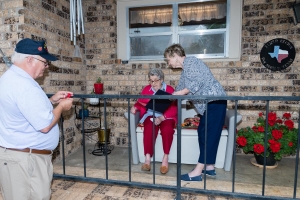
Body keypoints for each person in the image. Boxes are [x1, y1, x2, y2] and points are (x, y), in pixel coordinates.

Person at [0, 38, 73, 199]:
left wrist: (51, 101)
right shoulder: (24, 85)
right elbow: (45, 125)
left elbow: (25, 112)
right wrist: (61, 107)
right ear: (30, 59)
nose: (46, 68)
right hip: (26, 161)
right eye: (45, 63)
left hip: (21, 158)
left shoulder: (11, 79)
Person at [164, 44, 227, 182]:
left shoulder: (191, 61)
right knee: (203, 133)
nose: (169, 64)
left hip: (215, 101)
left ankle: (197, 172)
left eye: (168, 60)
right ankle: (209, 166)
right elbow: (179, 88)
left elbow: (196, 83)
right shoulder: (185, 71)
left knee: (208, 136)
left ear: (175, 55)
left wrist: (179, 93)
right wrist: (164, 97)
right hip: (210, 104)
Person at [130, 68, 177, 174]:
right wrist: (135, 107)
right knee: (149, 128)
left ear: (161, 80)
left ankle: (165, 159)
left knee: (167, 129)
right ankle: (147, 159)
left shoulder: (169, 89)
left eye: (156, 80)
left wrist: (161, 118)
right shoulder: (146, 89)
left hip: (166, 117)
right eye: (151, 81)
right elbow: (141, 102)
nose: (153, 83)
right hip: (150, 115)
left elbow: (174, 108)